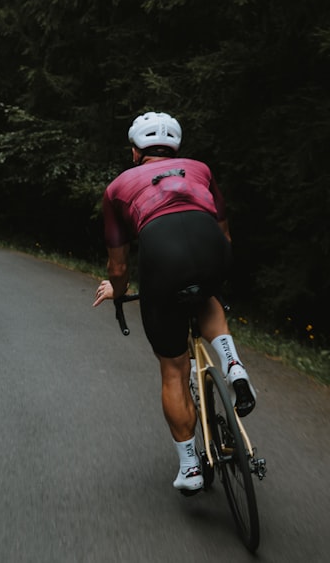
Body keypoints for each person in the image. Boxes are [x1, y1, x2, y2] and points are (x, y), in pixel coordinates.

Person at [92, 111, 256, 493]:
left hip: (163, 259)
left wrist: (118, 288)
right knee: (208, 296)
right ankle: (232, 364)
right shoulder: (200, 168)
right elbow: (224, 233)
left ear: (135, 152)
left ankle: (191, 468)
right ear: (176, 147)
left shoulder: (118, 187)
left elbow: (118, 265)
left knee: (173, 370)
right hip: (211, 248)